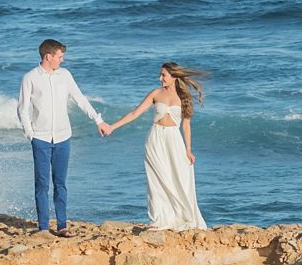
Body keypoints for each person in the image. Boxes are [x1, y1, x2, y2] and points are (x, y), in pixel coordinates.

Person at [100, 62, 207, 231]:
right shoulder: (156, 93)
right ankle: (158, 218)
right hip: (155, 138)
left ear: (174, 76)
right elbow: (135, 113)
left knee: (179, 177)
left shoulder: (184, 98)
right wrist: (112, 127)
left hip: (174, 139)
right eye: (160, 74)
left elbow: (186, 125)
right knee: (157, 178)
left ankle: (181, 216)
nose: (160, 78)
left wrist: (188, 149)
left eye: (163, 75)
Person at [17, 39, 107, 237]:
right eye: (59, 56)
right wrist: (30, 134)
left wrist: (98, 120)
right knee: (42, 184)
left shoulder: (64, 75)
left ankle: (62, 226)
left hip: (63, 137)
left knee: (61, 183)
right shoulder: (30, 78)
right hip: (40, 139)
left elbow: (80, 99)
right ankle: (43, 227)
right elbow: (22, 109)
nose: (62, 59)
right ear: (48, 57)